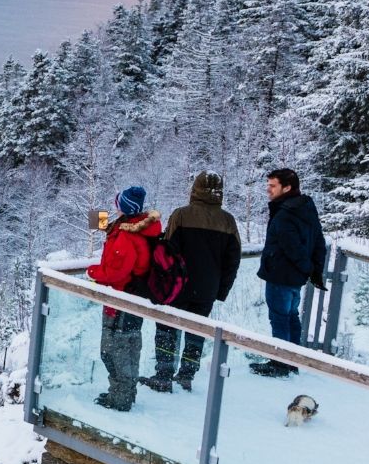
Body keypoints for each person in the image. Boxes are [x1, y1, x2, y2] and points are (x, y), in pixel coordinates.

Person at [139, 172, 241, 393]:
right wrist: (220, 290)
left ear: (195, 189)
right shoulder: (228, 221)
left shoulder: (181, 215)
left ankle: (163, 375)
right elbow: (233, 260)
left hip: (178, 285)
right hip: (207, 289)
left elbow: (167, 250)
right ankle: (186, 376)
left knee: (167, 328)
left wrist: (158, 284)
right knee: (196, 331)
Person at [88, 186, 160, 411]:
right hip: (133, 299)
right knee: (129, 347)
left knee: (113, 350)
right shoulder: (139, 227)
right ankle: (125, 393)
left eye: (118, 204)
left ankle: (119, 399)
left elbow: (116, 271)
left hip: (121, 300)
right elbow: (110, 231)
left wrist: (93, 271)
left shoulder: (127, 236)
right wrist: (99, 220)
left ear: (125, 208)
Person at [252, 168, 328, 377]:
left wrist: (308, 268)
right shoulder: (305, 207)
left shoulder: (285, 213)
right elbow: (319, 242)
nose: (268, 190)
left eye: (272, 185)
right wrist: (312, 270)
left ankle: (280, 363)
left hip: (280, 275)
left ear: (287, 188)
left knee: (279, 318)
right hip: (294, 277)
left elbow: (292, 247)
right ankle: (291, 361)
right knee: (291, 316)